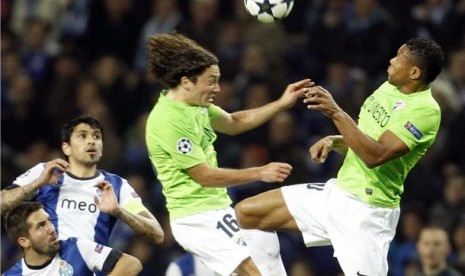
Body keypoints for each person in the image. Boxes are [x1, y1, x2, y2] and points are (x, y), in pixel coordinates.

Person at [235, 37, 446, 275]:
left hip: (367, 212)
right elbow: (366, 139)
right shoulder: (389, 86)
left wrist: (335, 113)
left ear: (415, 72)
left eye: (398, 58)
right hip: (337, 193)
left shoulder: (424, 111)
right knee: (247, 213)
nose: (391, 60)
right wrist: (336, 141)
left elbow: (375, 155)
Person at [145, 31, 313, 275]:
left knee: (268, 255)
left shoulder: (195, 106)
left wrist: (280, 103)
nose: (218, 88)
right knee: (253, 272)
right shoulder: (168, 119)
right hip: (195, 219)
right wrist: (258, 172)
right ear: (186, 82)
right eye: (211, 81)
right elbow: (203, 175)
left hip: (219, 210)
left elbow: (234, 122)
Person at [1, 115, 164, 247]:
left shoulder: (117, 185)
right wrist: (36, 184)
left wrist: (119, 212)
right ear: (66, 148)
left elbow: (157, 234)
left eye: (96, 136)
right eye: (82, 136)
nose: (91, 141)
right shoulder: (44, 172)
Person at [3, 201, 143, 276]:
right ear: (24, 241)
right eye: (40, 226)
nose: (51, 229)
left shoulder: (76, 247)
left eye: (49, 221)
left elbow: (131, 264)